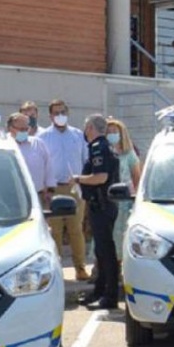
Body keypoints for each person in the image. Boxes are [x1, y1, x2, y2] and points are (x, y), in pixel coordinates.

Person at [72, 114, 120, 310]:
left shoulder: (98, 147)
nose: (85, 132)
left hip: (102, 205)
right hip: (99, 205)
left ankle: (110, 295)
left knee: (106, 252)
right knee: (101, 252)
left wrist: (78, 178)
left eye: (86, 128)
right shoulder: (102, 146)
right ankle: (100, 291)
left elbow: (100, 177)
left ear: (91, 128)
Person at [40, 99, 90, 281]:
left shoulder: (78, 135)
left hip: (74, 189)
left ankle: (80, 268)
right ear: (50, 116)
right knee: (55, 232)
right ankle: (56, 269)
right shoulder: (43, 137)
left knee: (76, 229)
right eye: (56, 113)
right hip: (53, 190)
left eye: (63, 112)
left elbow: (87, 161)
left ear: (67, 113)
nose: (60, 116)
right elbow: (42, 165)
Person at [105, 119, 141, 265]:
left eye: (115, 132)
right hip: (107, 199)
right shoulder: (105, 152)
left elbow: (136, 177)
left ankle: (121, 265)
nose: (112, 135)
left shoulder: (129, 153)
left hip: (124, 201)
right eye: (109, 132)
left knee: (121, 234)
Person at [6, 113, 56, 208]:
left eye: (26, 129)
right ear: (10, 128)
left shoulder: (38, 144)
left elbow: (49, 168)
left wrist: (50, 191)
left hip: (37, 197)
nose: (24, 132)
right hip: (11, 198)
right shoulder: (3, 144)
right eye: (21, 129)